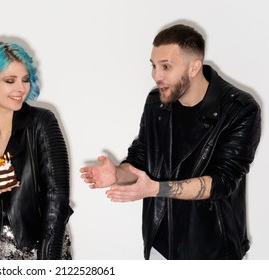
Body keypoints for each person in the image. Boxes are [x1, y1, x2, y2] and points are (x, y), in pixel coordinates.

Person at [80, 23, 261, 260]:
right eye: (154, 66)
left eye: (166, 66)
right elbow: (141, 158)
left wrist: (156, 189)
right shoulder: (156, 103)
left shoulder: (239, 109)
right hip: (160, 246)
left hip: (213, 250)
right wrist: (118, 173)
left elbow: (222, 182)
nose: (156, 75)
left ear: (194, 67)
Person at [0, 41, 73, 260]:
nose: (21, 88)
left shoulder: (42, 122)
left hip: (42, 251)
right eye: (10, 81)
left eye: (25, 80)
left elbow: (57, 200)